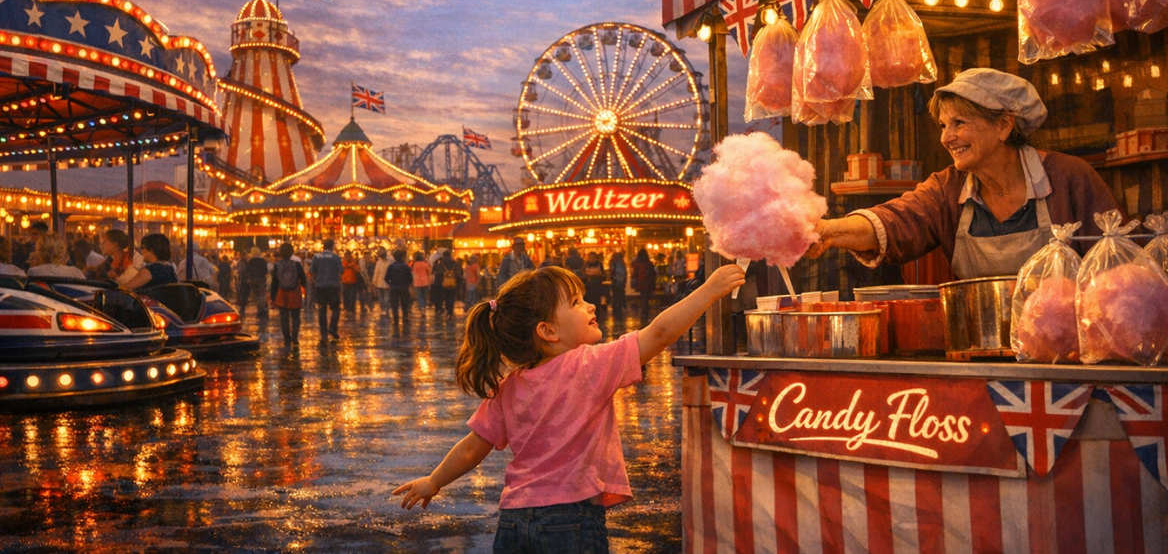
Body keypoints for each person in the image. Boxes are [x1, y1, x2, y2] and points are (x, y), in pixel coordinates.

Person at [391, 264, 746, 551]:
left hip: (514, 520)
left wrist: (434, 481)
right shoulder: (588, 365)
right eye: (576, 302)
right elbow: (660, 333)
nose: (590, 306)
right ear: (547, 331)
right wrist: (711, 289)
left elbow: (473, 447)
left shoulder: (509, 385)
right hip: (571, 521)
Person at [808, 68, 1120, 279]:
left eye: (960, 123)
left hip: (1069, 355)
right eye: (944, 126)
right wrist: (826, 229)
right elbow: (895, 221)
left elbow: (1119, 266)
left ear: (1003, 125)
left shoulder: (1068, 178)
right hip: (979, 350)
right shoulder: (948, 188)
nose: (946, 138)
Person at [270, 243, 306, 347]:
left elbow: (274, 282)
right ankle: (295, 337)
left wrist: (273, 297)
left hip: (282, 293)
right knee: (296, 316)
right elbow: (303, 279)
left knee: (284, 317)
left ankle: (287, 339)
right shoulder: (297, 264)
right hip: (295, 292)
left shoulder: (277, 265)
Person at [310, 239, 343, 343]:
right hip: (333, 286)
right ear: (332, 246)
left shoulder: (316, 257)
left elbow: (311, 271)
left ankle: (324, 334)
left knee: (322, 310)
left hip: (320, 286)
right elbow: (342, 270)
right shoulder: (336, 257)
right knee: (335, 308)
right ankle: (333, 327)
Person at [385, 249, 414, 324]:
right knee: (404, 303)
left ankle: (395, 318)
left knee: (394, 304)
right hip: (404, 287)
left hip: (394, 287)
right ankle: (405, 317)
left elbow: (386, 278)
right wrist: (407, 283)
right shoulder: (406, 267)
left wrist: (391, 283)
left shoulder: (391, 267)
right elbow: (410, 278)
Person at [631, 249, 657, 323]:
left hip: (640, 282)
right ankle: (645, 311)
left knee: (643, 296)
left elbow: (634, 274)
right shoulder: (649, 264)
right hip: (648, 283)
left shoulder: (636, 264)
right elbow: (653, 274)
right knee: (646, 297)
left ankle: (643, 311)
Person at [241, 247, 269, 317]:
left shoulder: (251, 261)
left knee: (255, 294)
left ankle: (258, 309)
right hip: (261, 279)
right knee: (261, 295)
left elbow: (247, 271)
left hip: (253, 279)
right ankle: (262, 310)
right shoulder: (263, 261)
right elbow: (266, 271)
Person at [433, 249, 462, 316]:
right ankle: (450, 311)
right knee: (451, 297)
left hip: (443, 284)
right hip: (453, 283)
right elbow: (459, 273)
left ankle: (446, 308)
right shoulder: (455, 263)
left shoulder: (441, 264)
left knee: (445, 297)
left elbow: (437, 274)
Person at [608, 251, 627, 320]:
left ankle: (616, 307)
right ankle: (620, 306)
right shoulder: (621, 263)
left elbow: (611, 271)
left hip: (614, 280)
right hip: (619, 281)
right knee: (620, 293)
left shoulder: (612, 262)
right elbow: (622, 272)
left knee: (615, 294)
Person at [372, 247, 392, 314]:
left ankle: (383, 308)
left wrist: (374, 282)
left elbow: (376, 273)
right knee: (387, 296)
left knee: (381, 296)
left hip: (379, 282)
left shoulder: (378, 263)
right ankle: (386, 308)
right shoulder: (389, 262)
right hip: (387, 281)